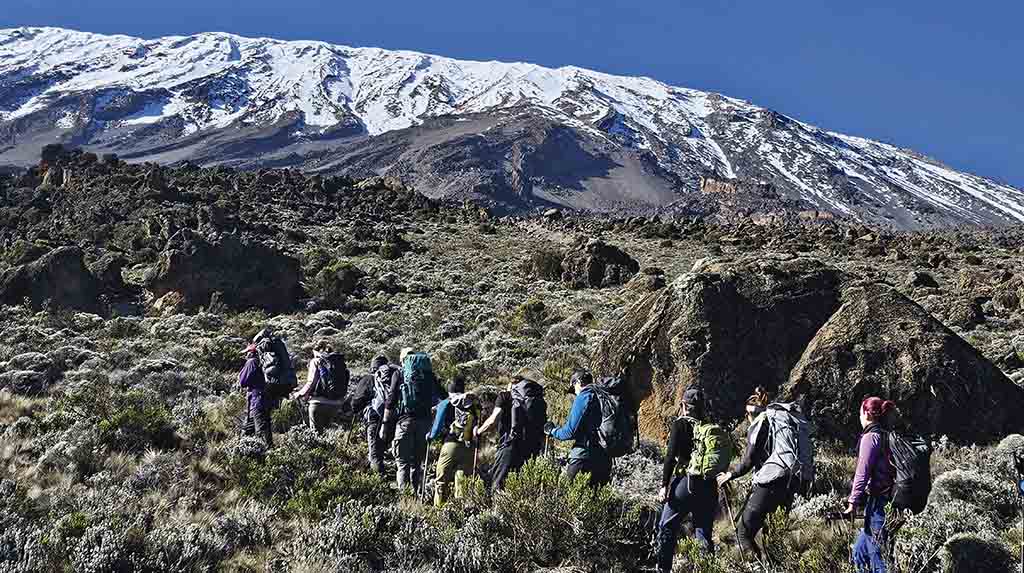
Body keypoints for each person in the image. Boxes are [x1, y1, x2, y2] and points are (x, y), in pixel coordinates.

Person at [717, 391, 815, 560]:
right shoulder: (781, 423)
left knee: (743, 533)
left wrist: (730, 475)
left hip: (773, 481)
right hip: (792, 481)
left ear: (749, 414)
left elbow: (749, 460)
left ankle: (757, 568)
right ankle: (776, 567)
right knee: (772, 535)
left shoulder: (761, 422)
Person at [655, 388, 733, 573]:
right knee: (703, 532)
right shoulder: (708, 427)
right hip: (708, 485)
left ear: (683, 405)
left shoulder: (680, 424)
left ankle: (662, 569)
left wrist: (664, 485)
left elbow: (670, 456)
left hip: (685, 483)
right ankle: (707, 569)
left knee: (667, 525)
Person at [843, 397, 898, 573]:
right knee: (860, 551)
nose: (859, 417)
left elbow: (862, 472)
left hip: (879, 505)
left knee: (877, 557)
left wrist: (853, 502)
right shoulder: (886, 434)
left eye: (860, 412)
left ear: (866, 413)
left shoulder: (871, 437)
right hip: (888, 502)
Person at [381, 348, 446, 491]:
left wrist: (385, 424)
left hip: (405, 421)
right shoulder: (428, 375)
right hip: (425, 423)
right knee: (417, 463)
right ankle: (417, 494)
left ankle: (405, 497)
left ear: (403, 360)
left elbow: (390, 400)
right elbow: (444, 396)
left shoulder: (399, 374)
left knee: (402, 463)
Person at [476, 376, 547, 490]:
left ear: (512, 385)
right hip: (531, 448)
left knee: (497, 485)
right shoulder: (536, 401)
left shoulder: (505, 396)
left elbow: (493, 421)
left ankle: (497, 507)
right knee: (522, 487)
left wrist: (478, 431)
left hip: (509, 446)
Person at [543, 370, 610, 488]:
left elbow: (569, 432)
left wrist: (553, 431)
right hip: (605, 458)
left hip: (584, 457)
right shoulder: (603, 396)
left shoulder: (585, 396)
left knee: (569, 500)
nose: (574, 392)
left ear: (578, 382)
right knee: (596, 501)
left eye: (573, 387)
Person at [428, 379, 480, 506]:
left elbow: (437, 426)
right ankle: (461, 511)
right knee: (462, 482)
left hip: (450, 445)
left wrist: (430, 436)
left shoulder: (446, 403)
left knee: (441, 481)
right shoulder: (473, 404)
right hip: (469, 446)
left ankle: (439, 510)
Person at [290, 340, 346, 432]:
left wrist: (299, 394)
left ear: (316, 350)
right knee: (328, 435)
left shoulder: (316, 361)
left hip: (318, 403)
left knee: (316, 436)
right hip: (336, 404)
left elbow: (311, 382)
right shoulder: (337, 361)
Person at [357, 355, 393, 477]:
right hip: (391, 420)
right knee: (382, 451)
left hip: (374, 420)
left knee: (375, 454)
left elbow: (357, 401)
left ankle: (378, 482)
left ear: (372, 367)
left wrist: (356, 409)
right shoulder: (393, 378)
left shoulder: (368, 379)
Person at [239, 343, 274, 446]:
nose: (245, 356)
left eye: (247, 353)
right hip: (266, 399)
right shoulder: (263, 362)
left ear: (251, 353)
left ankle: (269, 454)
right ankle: (245, 451)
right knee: (250, 428)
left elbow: (243, 381)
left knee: (261, 430)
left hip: (257, 400)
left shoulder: (252, 362)